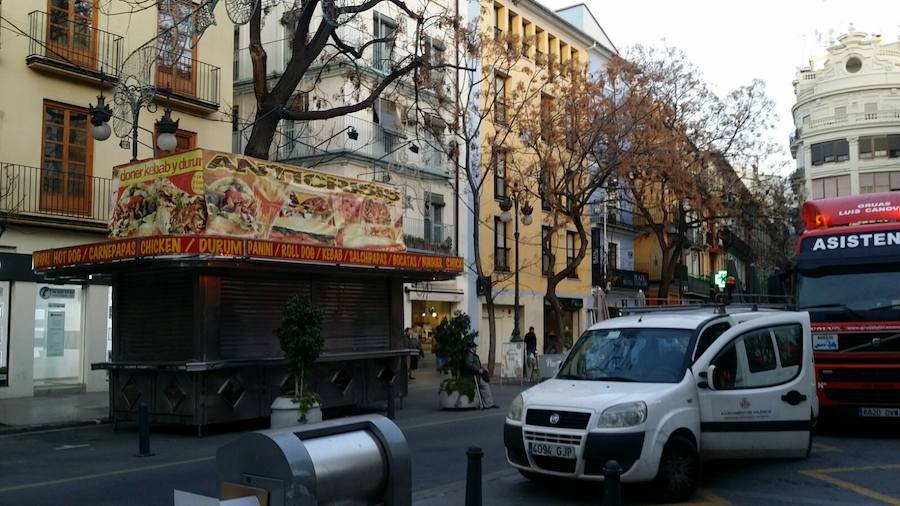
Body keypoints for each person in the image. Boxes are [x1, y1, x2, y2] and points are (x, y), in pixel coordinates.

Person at [464, 342, 498, 409]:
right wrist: (478, 369)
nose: (476, 348)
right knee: (485, 386)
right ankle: (488, 404)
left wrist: (482, 367)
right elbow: (469, 365)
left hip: (477, 375)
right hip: (474, 375)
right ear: (471, 348)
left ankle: (488, 403)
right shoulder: (469, 355)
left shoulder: (472, 355)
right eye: (475, 347)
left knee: (485, 386)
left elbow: (476, 363)